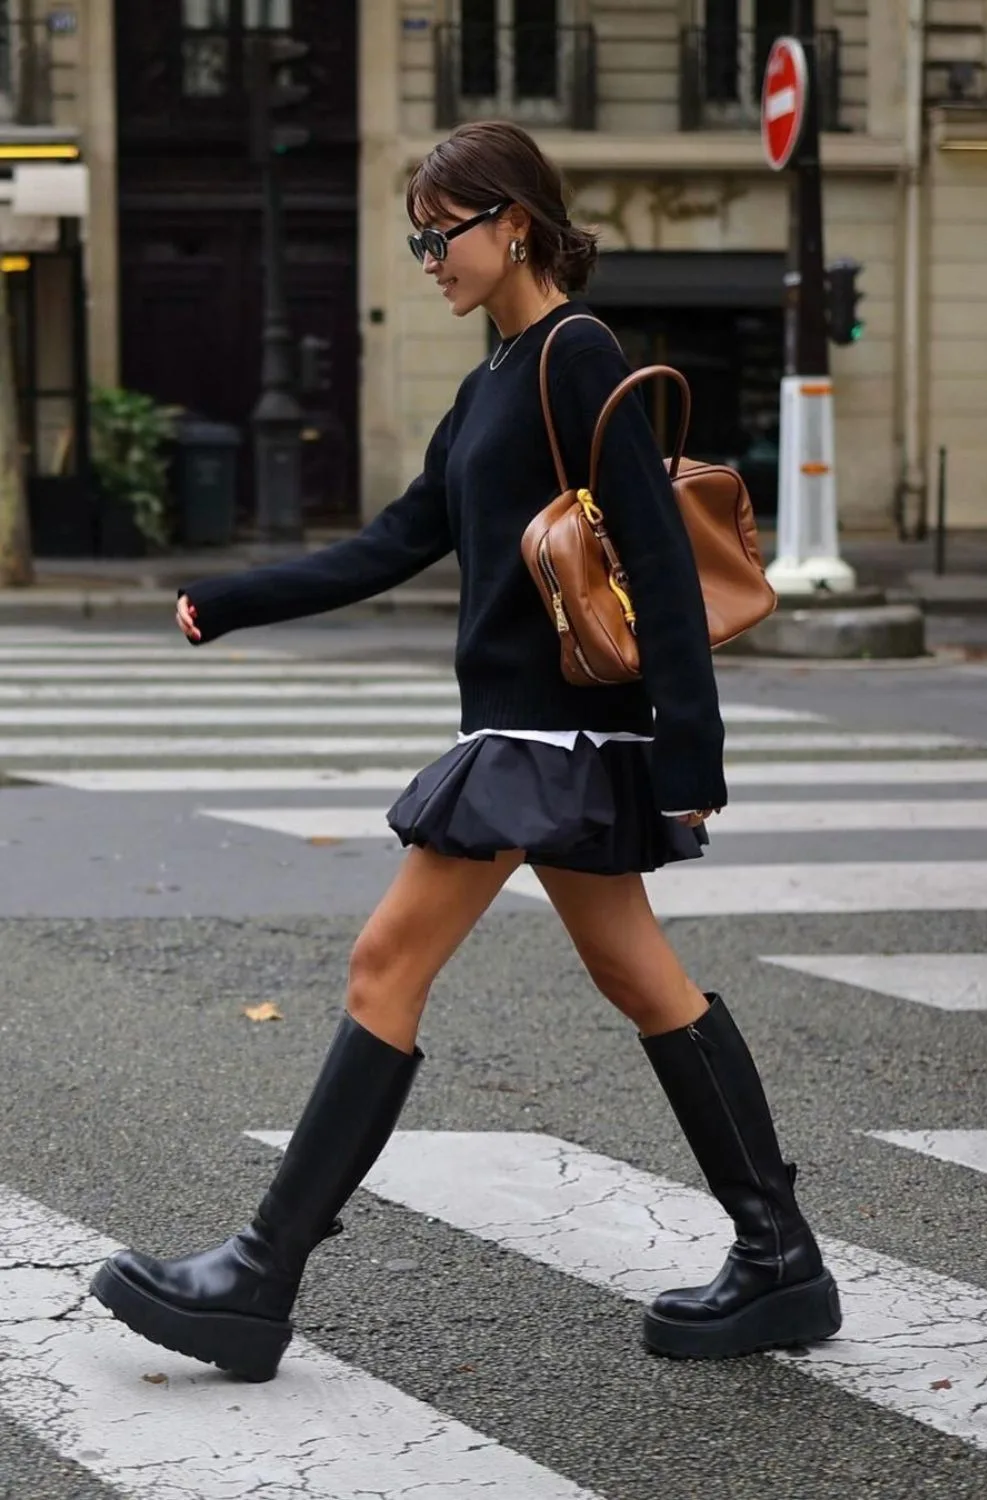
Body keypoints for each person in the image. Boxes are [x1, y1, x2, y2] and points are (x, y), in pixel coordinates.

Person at [90, 120, 841, 1380]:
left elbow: (655, 562)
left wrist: (691, 767)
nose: (426, 254)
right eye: (417, 234)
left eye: (442, 231)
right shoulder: (489, 384)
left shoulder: (573, 354)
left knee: (386, 959)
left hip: (549, 734)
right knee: (646, 983)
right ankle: (780, 1261)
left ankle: (257, 1276)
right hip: (538, 734)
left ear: (515, 227)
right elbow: (393, 543)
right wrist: (231, 599)